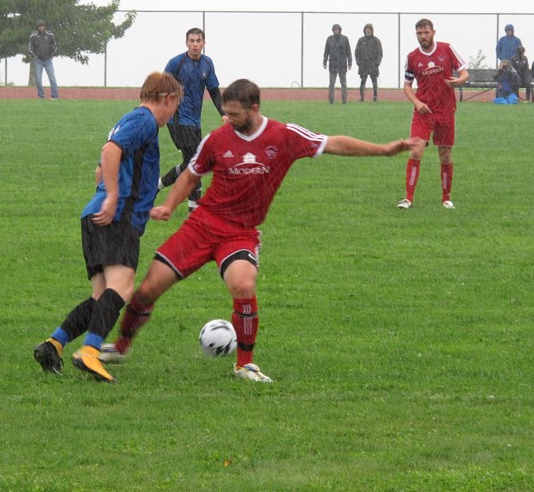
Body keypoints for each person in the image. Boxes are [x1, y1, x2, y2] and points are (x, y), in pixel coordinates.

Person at [98, 78, 420, 382]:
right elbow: (191, 174)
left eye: (234, 114)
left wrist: (385, 149)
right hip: (202, 225)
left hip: (240, 232)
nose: (227, 119)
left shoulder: (283, 136)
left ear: (254, 109)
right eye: (225, 113)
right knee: (148, 290)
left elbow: (334, 143)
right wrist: (170, 205)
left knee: (244, 284)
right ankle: (121, 347)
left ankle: (245, 363)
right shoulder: (216, 139)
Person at [33, 72, 184, 383]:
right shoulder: (143, 120)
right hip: (117, 218)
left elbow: (100, 170)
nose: (173, 114)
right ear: (167, 99)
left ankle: (53, 344)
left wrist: (119, 197)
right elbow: (109, 153)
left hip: (97, 215)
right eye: (175, 107)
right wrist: (116, 197)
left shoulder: (129, 120)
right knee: (122, 288)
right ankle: (90, 351)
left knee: (101, 296)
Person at [397, 18, 469, 211]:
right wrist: (417, 102)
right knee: (416, 150)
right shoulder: (412, 57)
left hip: (445, 111)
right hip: (424, 112)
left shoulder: (447, 49)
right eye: (419, 33)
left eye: (426, 32)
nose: (423, 36)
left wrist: (459, 80)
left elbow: (465, 73)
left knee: (445, 155)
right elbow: (407, 85)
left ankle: (446, 198)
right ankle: (408, 198)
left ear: (433, 32)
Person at [159, 27, 224, 213]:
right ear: (186, 43)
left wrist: (224, 113)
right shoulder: (176, 63)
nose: (195, 44)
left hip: (195, 122)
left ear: (204, 44)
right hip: (177, 120)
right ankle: (193, 209)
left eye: (198, 41)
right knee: (196, 162)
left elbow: (213, 91)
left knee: (191, 162)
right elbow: (161, 87)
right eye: (192, 41)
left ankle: (159, 185)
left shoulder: (207, 63)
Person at [28, 20, 59, 99]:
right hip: (38, 61)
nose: (41, 27)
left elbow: (54, 47)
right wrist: (35, 57)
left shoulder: (50, 35)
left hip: (48, 60)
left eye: (42, 26)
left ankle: (54, 96)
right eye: (40, 26)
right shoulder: (33, 36)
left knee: (52, 78)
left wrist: (52, 55)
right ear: (37, 27)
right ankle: (41, 96)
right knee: (38, 79)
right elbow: (30, 48)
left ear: (45, 26)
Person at [323, 24, 352, 104]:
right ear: (333, 30)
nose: (336, 30)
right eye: (335, 29)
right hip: (333, 64)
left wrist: (350, 62)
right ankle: (331, 101)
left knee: (343, 84)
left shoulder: (345, 39)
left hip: (342, 64)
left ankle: (344, 100)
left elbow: (348, 52)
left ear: (340, 30)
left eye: (337, 29)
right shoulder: (329, 39)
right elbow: (326, 52)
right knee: (331, 84)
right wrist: (324, 61)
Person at [354, 23, 383, 102]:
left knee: (374, 81)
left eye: (369, 29)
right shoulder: (361, 40)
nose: (368, 30)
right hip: (363, 65)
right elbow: (357, 52)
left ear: (372, 30)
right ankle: (362, 97)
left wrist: (377, 63)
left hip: (373, 65)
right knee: (363, 81)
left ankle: (375, 97)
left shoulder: (376, 41)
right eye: (366, 29)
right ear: (364, 30)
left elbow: (380, 53)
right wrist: (358, 62)